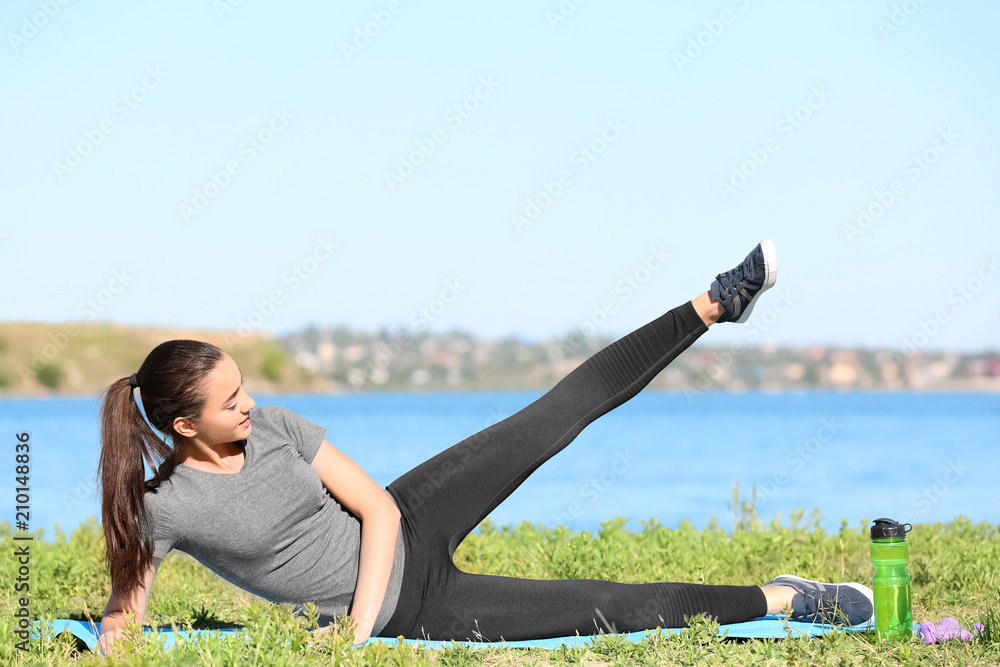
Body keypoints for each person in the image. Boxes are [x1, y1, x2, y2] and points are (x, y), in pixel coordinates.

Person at [96, 239, 873, 650]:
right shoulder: (161, 508)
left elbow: (377, 510)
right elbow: (125, 614)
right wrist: (108, 644)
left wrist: (355, 632)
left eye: (245, 387)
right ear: (184, 425)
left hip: (408, 518)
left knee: (552, 415)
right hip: (419, 604)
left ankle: (712, 304)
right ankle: (791, 598)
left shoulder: (276, 429)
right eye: (232, 402)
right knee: (616, 606)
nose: (251, 404)